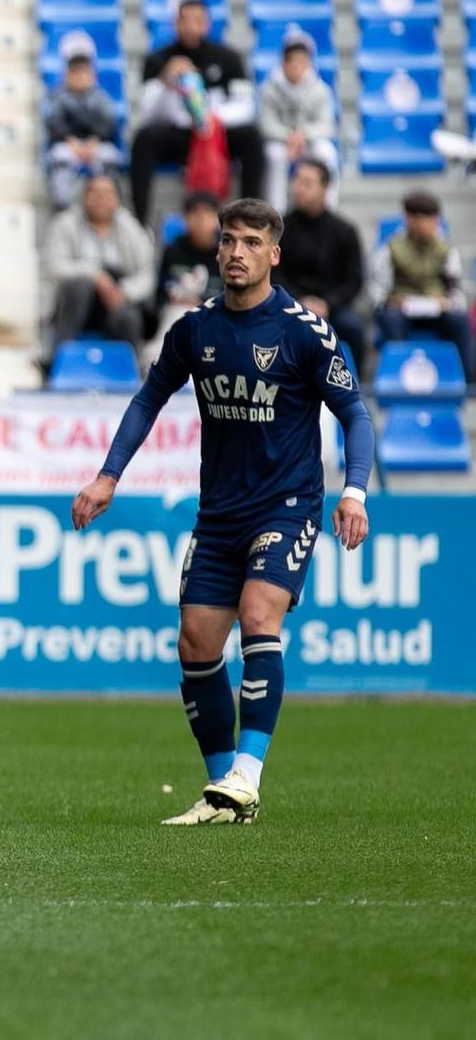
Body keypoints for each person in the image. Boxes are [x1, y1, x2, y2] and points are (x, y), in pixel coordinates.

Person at [72, 198, 373, 825]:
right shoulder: (195, 328)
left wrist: (354, 491)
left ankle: (248, 773)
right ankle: (223, 794)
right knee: (195, 643)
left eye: (251, 243)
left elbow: (354, 414)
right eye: (229, 240)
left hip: (287, 505)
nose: (236, 252)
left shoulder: (302, 331)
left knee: (260, 613)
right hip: (220, 513)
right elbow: (148, 399)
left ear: (274, 255)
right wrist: (107, 477)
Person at [131, 0, 260, 221]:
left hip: (218, 130)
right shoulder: (157, 60)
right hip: (179, 134)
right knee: (144, 139)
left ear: (207, 24)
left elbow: (246, 107)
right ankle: (140, 222)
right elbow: (147, 115)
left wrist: (208, 116)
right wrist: (165, 82)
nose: (191, 27)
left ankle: (250, 218)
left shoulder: (228, 58)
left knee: (252, 137)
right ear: (176, 23)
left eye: (197, 21)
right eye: (185, 21)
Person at [44, 173, 155, 352]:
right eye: (95, 193)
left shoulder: (131, 228)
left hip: (116, 298)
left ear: (117, 199)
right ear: (84, 197)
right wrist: (95, 275)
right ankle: (58, 356)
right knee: (78, 286)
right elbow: (56, 267)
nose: (101, 199)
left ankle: (129, 367)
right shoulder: (65, 224)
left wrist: (123, 292)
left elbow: (147, 275)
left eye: (107, 194)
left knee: (129, 317)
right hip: (76, 301)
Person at [370, 190, 473, 377]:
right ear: (410, 220)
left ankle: (467, 382)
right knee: (391, 319)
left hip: (436, 311)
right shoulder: (389, 249)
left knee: (460, 321)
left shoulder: (446, 251)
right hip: (401, 311)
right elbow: (377, 292)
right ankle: (395, 376)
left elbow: (456, 292)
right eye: (423, 219)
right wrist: (391, 301)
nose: (430, 225)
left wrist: (447, 303)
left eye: (433, 219)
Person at [275, 160, 368, 362]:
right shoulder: (281, 228)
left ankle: (354, 386)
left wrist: (327, 303)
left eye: (307, 183)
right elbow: (275, 275)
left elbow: (354, 280)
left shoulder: (344, 231)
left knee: (354, 327)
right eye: (297, 181)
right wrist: (299, 301)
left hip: (332, 307)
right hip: (290, 304)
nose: (299, 189)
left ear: (325, 188)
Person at [256, 37, 338, 209]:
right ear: (284, 63)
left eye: (304, 61)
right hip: (281, 142)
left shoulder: (320, 89)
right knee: (274, 155)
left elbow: (326, 125)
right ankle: (276, 212)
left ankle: (329, 207)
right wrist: (289, 137)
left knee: (327, 152)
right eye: (295, 61)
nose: (299, 67)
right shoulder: (269, 88)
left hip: (308, 142)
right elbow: (266, 124)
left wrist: (303, 135)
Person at [44, 51, 123, 208]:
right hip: (68, 145)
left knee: (110, 158)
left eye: (84, 73)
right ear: (67, 75)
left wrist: (93, 142)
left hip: (97, 144)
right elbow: (56, 124)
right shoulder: (58, 97)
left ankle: (111, 204)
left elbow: (108, 123)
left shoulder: (101, 97)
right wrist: (74, 144)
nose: (80, 77)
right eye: (75, 73)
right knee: (60, 158)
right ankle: (62, 205)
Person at [156, 192, 223, 328]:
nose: (201, 220)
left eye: (207, 214)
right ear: (185, 219)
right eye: (195, 214)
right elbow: (159, 293)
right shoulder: (173, 250)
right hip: (175, 313)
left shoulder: (226, 253)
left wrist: (201, 302)